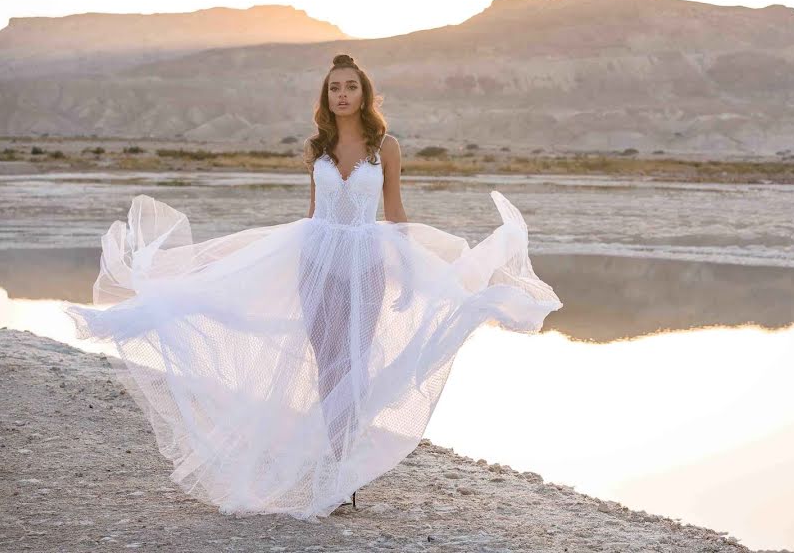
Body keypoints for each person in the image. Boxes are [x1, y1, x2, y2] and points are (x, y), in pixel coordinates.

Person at [63, 53, 563, 522]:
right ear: (325, 98)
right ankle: (335, 457)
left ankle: (345, 463)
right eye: (334, 89)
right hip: (317, 261)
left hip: (366, 262)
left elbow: (395, 213)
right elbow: (312, 211)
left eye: (350, 88)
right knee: (327, 362)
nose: (342, 95)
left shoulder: (386, 148)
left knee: (356, 360)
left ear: (364, 94)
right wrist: (298, 268)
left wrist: (409, 275)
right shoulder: (316, 148)